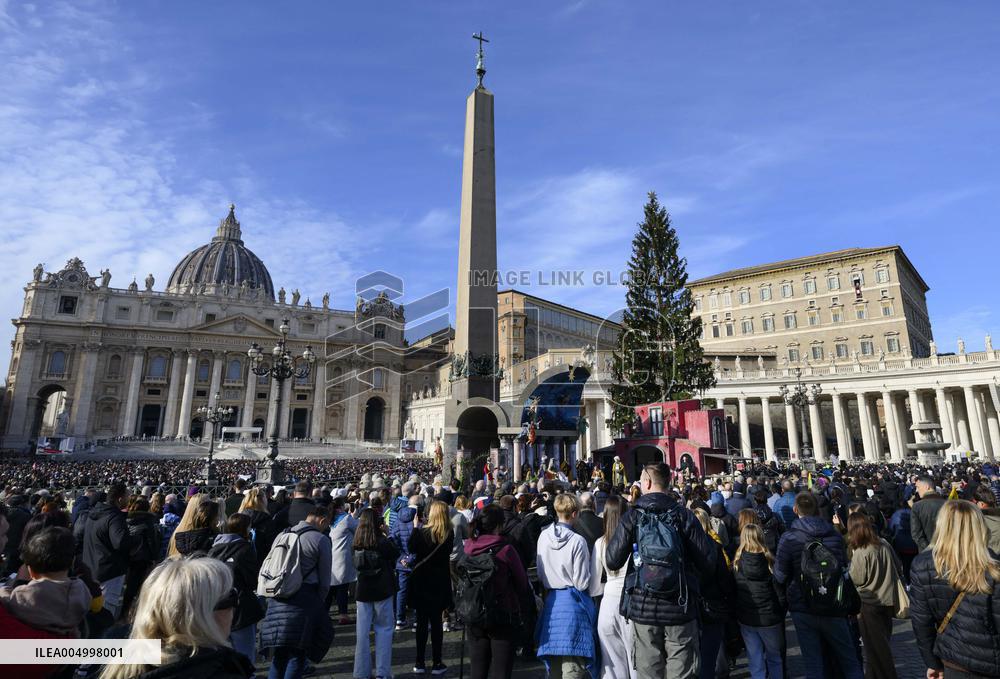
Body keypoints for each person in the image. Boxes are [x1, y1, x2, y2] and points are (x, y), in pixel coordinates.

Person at [607, 463, 717, 679]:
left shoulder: (633, 516)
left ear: (647, 482)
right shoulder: (684, 515)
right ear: (669, 483)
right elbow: (708, 561)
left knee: (649, 672)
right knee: (682, 671)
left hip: (643, 606)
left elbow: (612, 560)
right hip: (680, 605)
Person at [100, 557, 254, 679]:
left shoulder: (118, 656)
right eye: (230, 597)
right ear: (202, 614)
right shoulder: (222, 670)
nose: (234, 606)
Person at [774, 491, 862, 679]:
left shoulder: (789, 538)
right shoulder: (835, 535)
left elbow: (779, 576)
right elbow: (843, 567)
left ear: (795, 510)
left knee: (813, 663)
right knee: (849, 660)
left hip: (802, 604)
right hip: (834, 603)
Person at [910, 500, 1000, 678]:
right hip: (991, 660)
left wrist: (933, 663)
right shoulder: (993, 566)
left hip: (953, 660)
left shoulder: (923, 564)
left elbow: (922, 623)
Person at [259, 504, 334, 679]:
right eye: (326, 524)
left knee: (279, 656)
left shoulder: (282, 534)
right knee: (298, 656)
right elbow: (325, 581)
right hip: (304, 599)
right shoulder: (320, 539)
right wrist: (319, 603)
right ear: (322, 519)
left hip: (277, 597)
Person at [535, 492, 596, 678]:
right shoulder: (578, 541)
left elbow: (540, 573)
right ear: (575, 513)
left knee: (554, 667)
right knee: (573, 666)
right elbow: (581, 581)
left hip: (552, 604)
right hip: (573, 604)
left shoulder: (543, 537)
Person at [0, 527, 91, 636]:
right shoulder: (81, 590)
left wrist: (4, 591)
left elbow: (10, 602)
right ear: (71, 563)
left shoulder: (28, 594)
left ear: (30, 571)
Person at [846, 512, 902, 679]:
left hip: (868, 604)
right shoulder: (883, 544)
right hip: (887, 599)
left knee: (877, 650)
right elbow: (898, 566)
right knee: (878, 647)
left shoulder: (862, 551)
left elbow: (856, 578)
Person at [209, 512, 265, 666]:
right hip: (240, 606)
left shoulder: (214, 548)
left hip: (218, 605)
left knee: (225, 655)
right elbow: (253, 581)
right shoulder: (244, 549)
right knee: (245, 655)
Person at [588, 495, 634, 679]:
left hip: (608, 604)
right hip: (631, 601)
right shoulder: (634, 540)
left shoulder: (600, 543)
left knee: (612, 665)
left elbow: (594, 587)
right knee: (636, 660)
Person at [733, 524, 785, 679]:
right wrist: (780, 612)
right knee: (775, 658)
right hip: (770, 617)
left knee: (755, 659)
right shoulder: (769, 560)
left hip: (747, 617)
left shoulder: (737, 563)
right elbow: (780, 593)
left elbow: (734, 591)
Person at [408, 500, 454, 675]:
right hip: (439, 583)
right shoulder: (448, 534)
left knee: (421, 623)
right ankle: (436, 662)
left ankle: (419, 662)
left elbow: (411, 548)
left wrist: (415, 527)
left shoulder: (421, 533)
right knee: (436, 623)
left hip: (422, 582)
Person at [353, 507, 399, 679]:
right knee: (385, 630)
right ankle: (382, 672)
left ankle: (360, 672)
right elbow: (395, 552)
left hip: (363, 591)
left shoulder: (356, 541)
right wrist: (388, 533)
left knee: (362, 634)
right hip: (383, 589)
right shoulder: (382, 542)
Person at [693, 507, 736, 679]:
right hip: (713, 604)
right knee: (712, 655)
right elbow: (724, 579)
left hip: (695, 605)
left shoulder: (685, 546)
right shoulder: (715, 545)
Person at [81, 481, 133, 620]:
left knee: (91, 613)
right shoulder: (114, 516)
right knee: (106, 615)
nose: (130, 499)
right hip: (109, 572)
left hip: (92, 569)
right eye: (128, 496)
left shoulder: (94, 513)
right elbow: (121, 542)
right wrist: (136, 540)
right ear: (120, 499)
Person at [123, 495, 161, 617]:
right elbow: (152, 541)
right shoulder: (148, 521)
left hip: (128, 556)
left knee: (129, 586)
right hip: (143, 557)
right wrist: (155, 557)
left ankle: (124, 612)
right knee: (141, 586)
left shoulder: (125, 520)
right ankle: (135, 613)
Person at [390, 494, 420, 630]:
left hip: (402, 562)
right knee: (418, 590)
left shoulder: (397, 520)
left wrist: (401, 558)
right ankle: (417, 619)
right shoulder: (419, 521)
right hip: (417, 562)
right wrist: (410, 558)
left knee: (401, 591)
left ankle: (399, 619)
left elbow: (393, 540)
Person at [328, 496, 359, 626]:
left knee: (330, 587)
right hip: (342, 556)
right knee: (342, 587)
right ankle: (343, 614)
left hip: (330, 555)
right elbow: (358, 528)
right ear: (341, 507)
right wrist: (354, 516)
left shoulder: (330, 519)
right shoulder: (346, 519)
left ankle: (324, 612)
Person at [910, 475, 946, 552]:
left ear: (927, 487)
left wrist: (929, 549)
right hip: (947, 551)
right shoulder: (948, 504)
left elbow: (916, 535)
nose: (917, 490)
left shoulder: (917, 506)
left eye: (918, 487)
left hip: (926, 553)